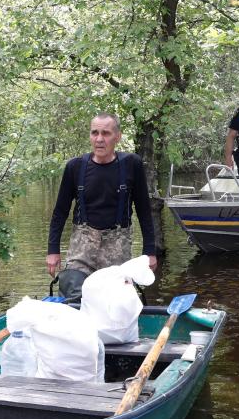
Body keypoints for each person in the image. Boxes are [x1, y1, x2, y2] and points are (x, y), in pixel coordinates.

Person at [46, 113, 157, 300]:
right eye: (94, 133)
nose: (99, 139)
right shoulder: (75, 167)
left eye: (105, 133)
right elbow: (60, 212)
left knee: (114, 302)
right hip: (82, 247)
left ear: (117, 137)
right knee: (73, 294)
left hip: (117, 246)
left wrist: (149, 252)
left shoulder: (132, 165)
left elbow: (144, 211)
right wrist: (53, 251)